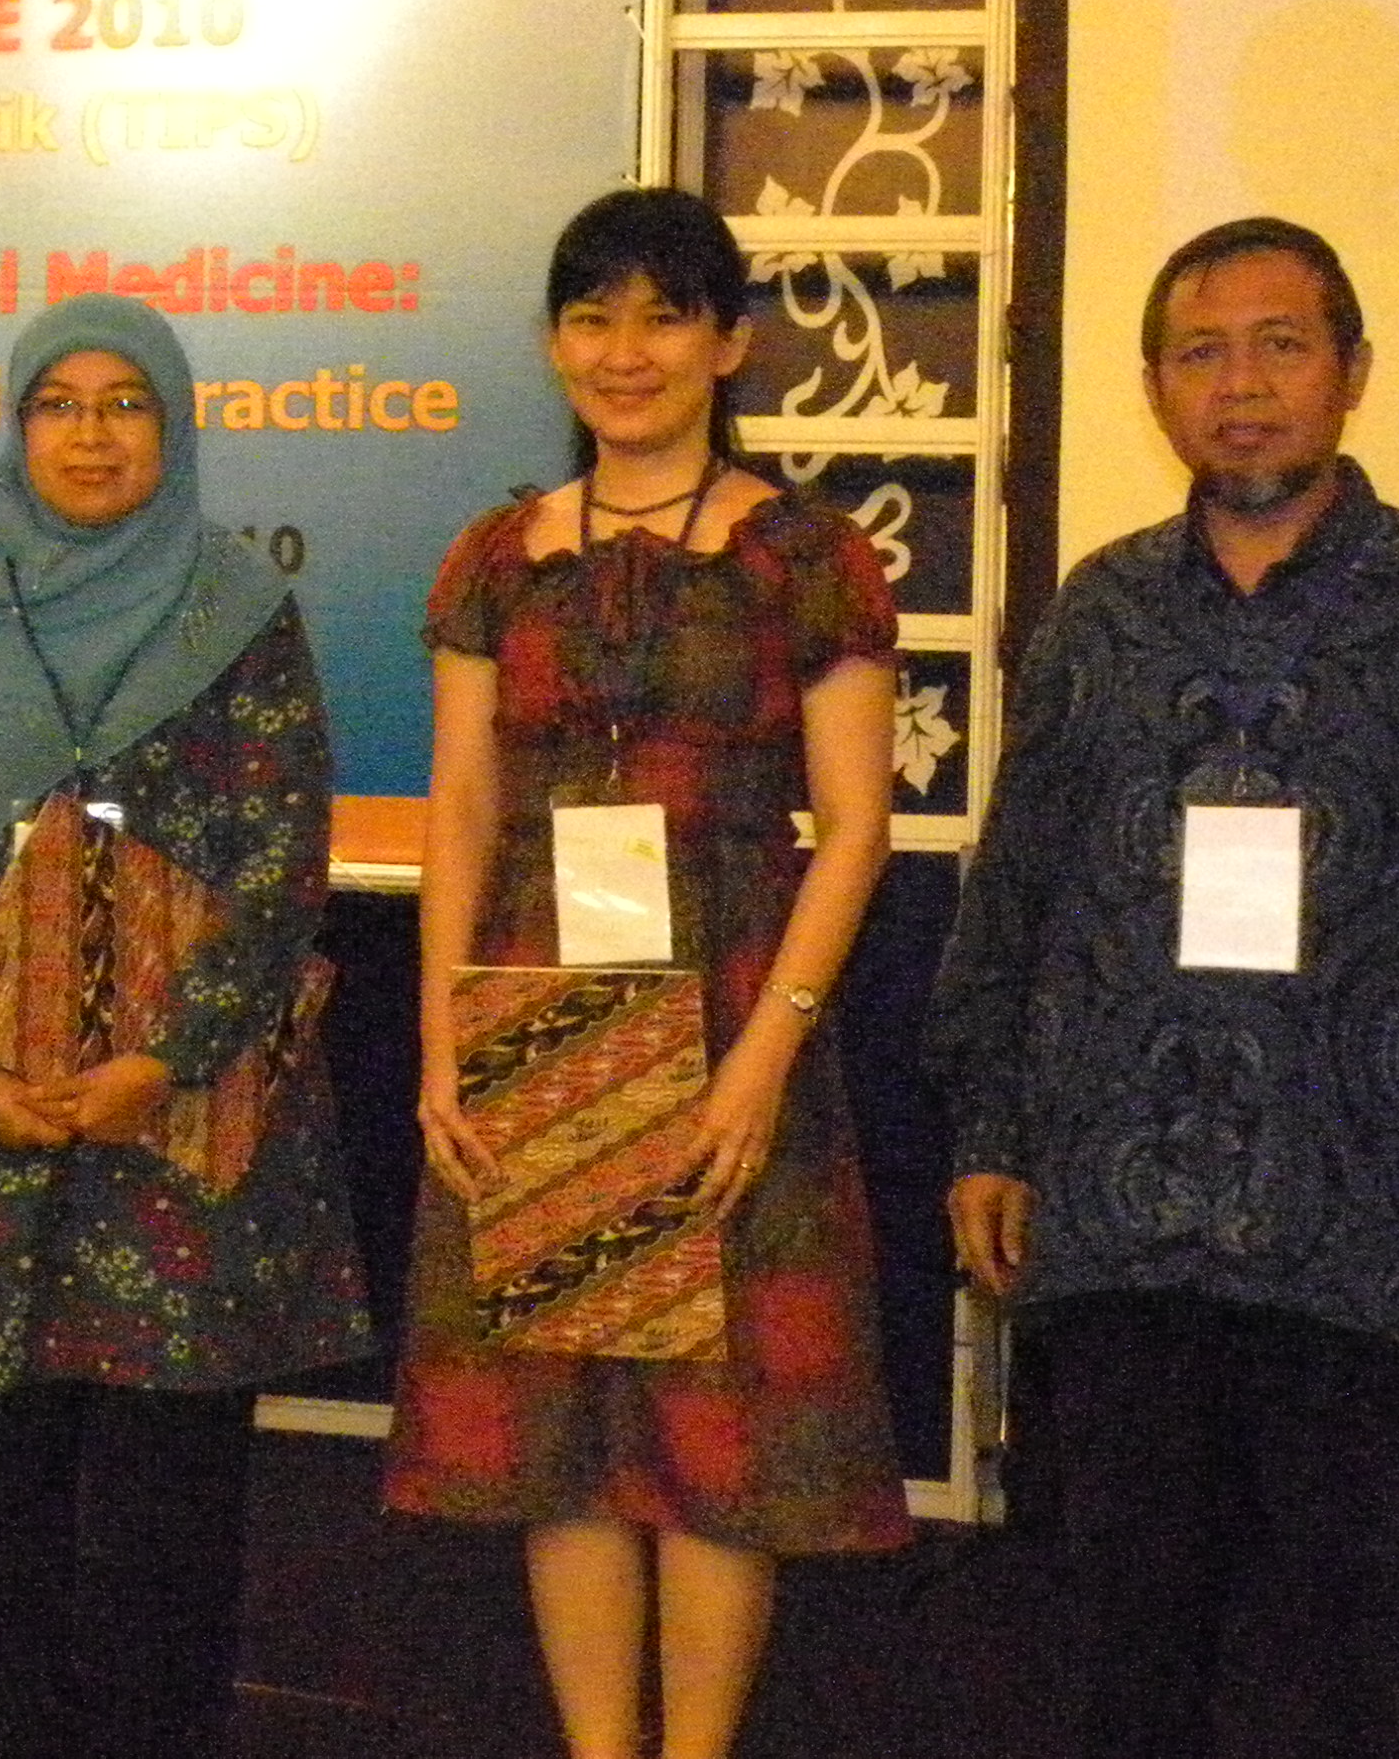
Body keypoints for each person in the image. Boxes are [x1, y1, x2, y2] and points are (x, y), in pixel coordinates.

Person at [923, 217, 1399, 1757]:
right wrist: (990, 1128)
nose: (1241, 386)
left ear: (1353, 371)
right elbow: (1018, 885)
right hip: (1120, 1225)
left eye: (1281, 346)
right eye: (1200, 354)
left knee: (1372, 1675)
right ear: (1156, 387)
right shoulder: (1101, 611)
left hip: (1371, 1230)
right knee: (1124, 1664)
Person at [383, 186, 911, 1759]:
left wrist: (766, 1056)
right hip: (536, 1007)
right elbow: (462, 807)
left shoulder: (803, 555)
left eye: (664, 317)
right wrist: (444, 1039)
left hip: (738, 1008)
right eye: (592, 317)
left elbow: (858, 825)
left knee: (719, 1446)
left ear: (728, 342)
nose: (626, 352)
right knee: (564, 1441)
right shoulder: (497, 557)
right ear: (554, 344)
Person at [0, 294, 373, 1759]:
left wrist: (160, 1061)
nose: (91, 434)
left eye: (125, 403)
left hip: (173, 1133)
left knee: (166, 1513)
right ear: (17, 428)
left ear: (172, 426)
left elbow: (281, 862)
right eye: (57, 404)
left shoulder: (239, 609)